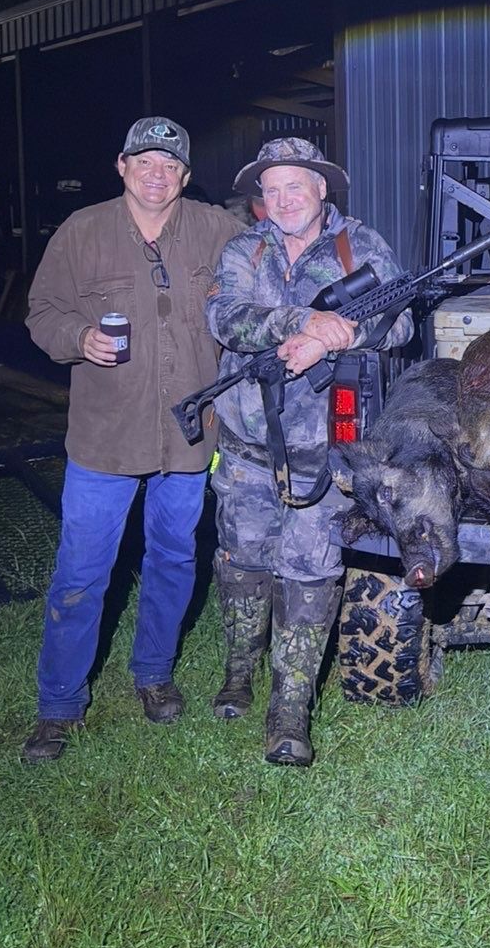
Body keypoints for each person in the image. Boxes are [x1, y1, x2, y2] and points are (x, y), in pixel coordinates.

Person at [23, 117, 245, 761]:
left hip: (188, 436)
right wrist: (77, 339)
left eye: (169, 164)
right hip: (105, 438)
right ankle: (59, 704)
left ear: (184, 175)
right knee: (80, 573)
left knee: (174, 560)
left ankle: (153, 674)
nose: (156, 173)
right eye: (143, 161)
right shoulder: (81, 232)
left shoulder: (216, 230)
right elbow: (43, 312)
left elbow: (273, 266)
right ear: (121, 166)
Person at [206, 137, 413, 767]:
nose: (282, 199)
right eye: (270, 190)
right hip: (244, 447)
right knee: (242, 561)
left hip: (327, 453)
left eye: (295, 186)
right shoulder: (245, 247)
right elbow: (227, 318)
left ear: (323, 190)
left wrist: (341, 334)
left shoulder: (360, 247)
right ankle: (239, 671)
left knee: (311, 569)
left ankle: (289, 708)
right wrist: (302, 323)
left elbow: (400, 320)